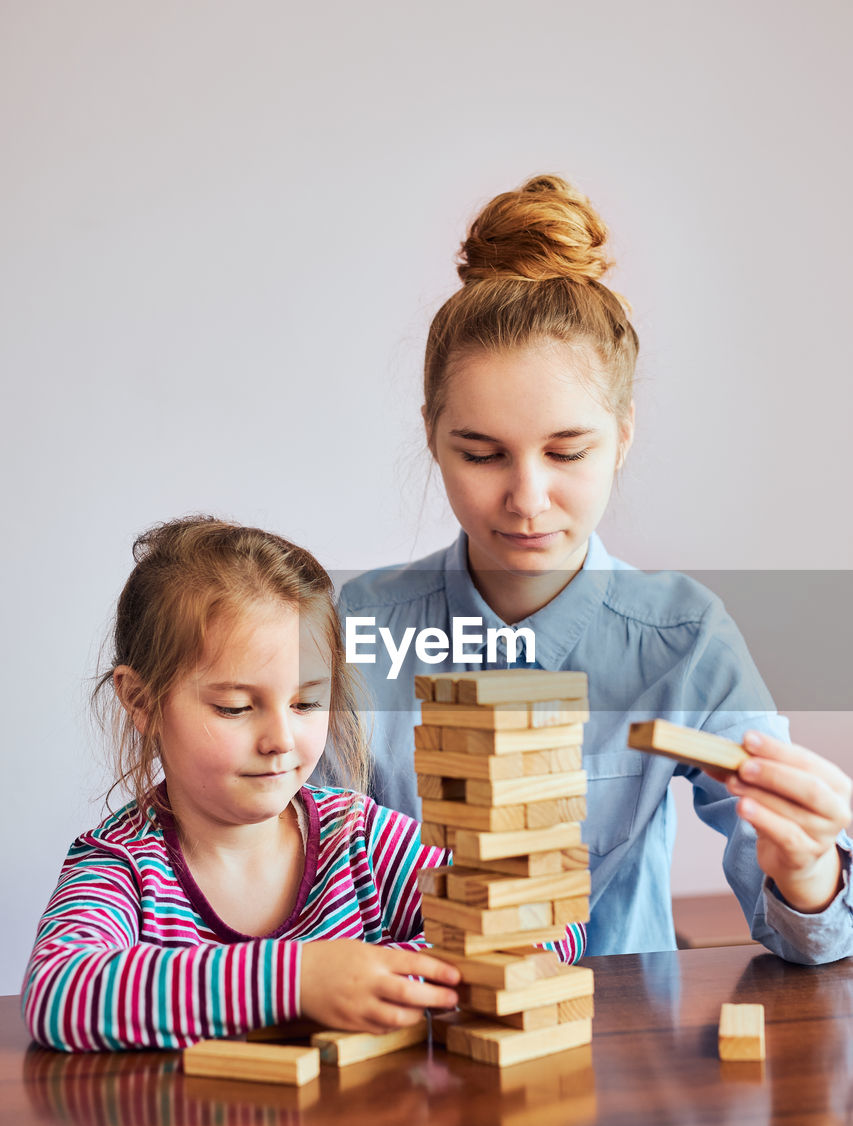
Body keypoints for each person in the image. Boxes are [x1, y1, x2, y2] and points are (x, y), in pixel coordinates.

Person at [333, 174, 853, 963]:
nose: (526, 499)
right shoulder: (352, 630)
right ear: (432, 436)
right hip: (411, 1046)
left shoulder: (683, 638)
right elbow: (296, 882)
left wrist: (808, 873)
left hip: (612, 1043)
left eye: (567, 452)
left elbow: (811, 937)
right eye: (481, 454)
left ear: (623, 436)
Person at [22, 517, 480, 1052]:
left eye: (307, 702)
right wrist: (299, 982)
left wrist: (391, 977)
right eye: (236, 707)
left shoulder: (361, 839)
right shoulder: (122, 866)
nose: (281, 740)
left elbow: (543, 923)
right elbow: (60, 994)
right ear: (143, 703)